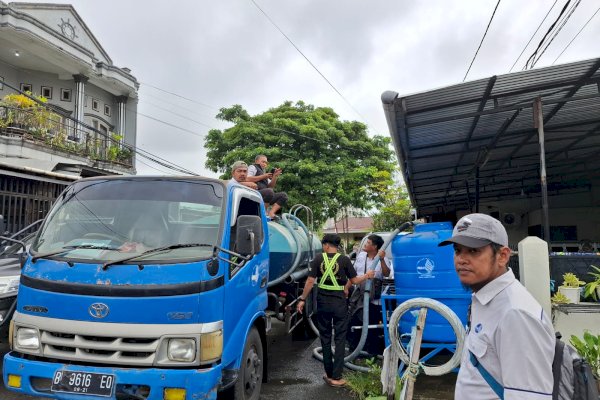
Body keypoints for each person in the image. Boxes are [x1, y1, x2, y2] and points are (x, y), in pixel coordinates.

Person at [439, 213, 555, 399]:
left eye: (473, 251)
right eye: (458, 250)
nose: (461, 259)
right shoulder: (485, 298)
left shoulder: (515, 314)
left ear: (502, 256)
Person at [296, 233, 375, 388]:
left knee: (325, 339)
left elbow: (311, 281)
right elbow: (355, 281)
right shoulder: (345, 260)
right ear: (337, 245)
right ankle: (337, 377)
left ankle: (329, 373)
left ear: (326, 245)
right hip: (339, 304)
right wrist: (367, 275)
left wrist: (302, 299)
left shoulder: (318, 259)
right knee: (340, 339)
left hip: (323, 304)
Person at [346, 234, 392, 354]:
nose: (365, 245)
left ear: (375, 246)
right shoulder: (361, 256)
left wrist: (381, 259)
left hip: (374, 300)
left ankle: (372, 353)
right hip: (360, 297)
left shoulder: (382, 258)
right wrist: (346, 288)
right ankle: (355, 350)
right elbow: (353, 275)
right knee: (355, 323)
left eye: (368, 243)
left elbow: (386, 274)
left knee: (372, 326)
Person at [246, 155, 288, 219]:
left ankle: (271, 213)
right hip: (254, 193)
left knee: (283, 195)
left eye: (266, 163)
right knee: (269, 191)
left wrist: (275, 176)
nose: (265, 164)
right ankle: (263, 213)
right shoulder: (252, 167)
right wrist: (263, 176)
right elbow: (247, 178)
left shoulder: (264, 172)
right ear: (256, 161)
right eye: (263, 162)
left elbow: (271, 186)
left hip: (265, 195)